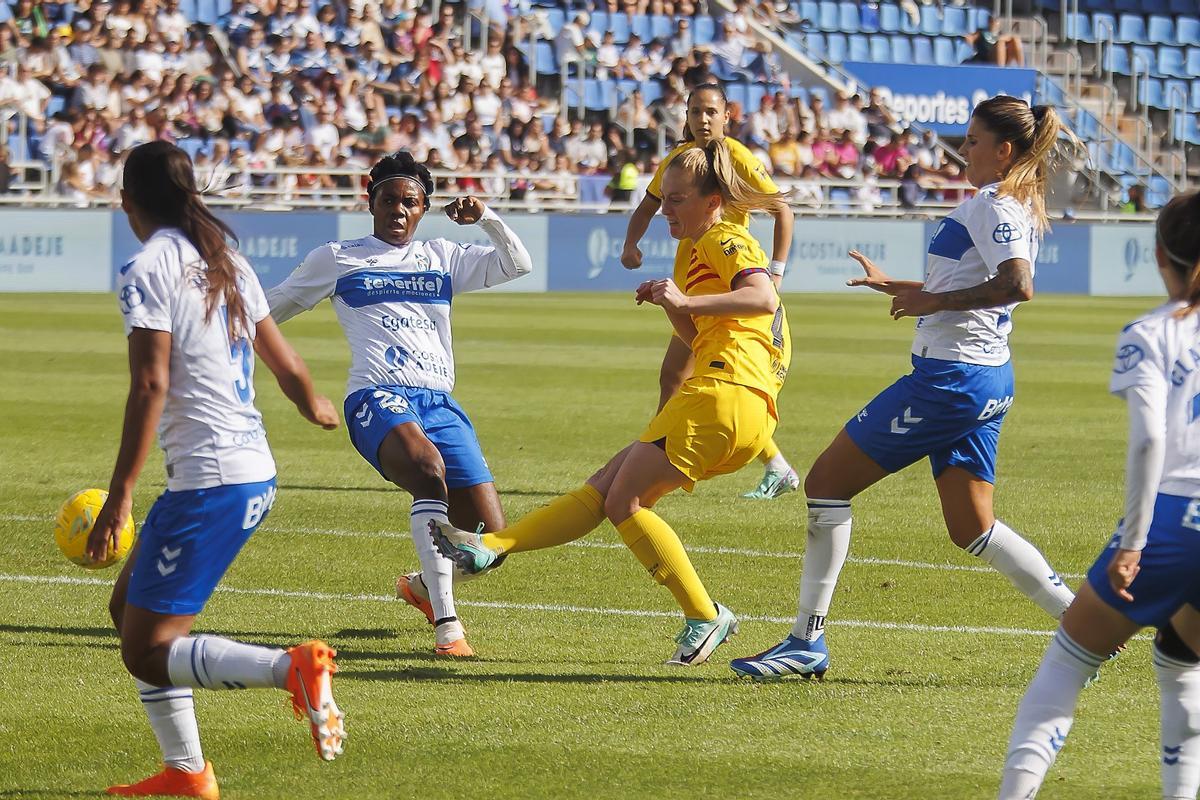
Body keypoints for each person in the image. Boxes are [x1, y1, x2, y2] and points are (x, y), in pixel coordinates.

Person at [730, 97, 1082, 680]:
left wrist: (931, 301)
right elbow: (973, 279)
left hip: (950, 380)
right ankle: (1082, 623)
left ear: (1005, 151)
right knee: (973, 529)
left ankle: (804, 643)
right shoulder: (1013, 205)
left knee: (825, 484)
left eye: (972, 141)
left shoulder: (994, 205)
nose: (964, 150)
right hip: (985, 376)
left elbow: (1017, 285)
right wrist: (897, 285)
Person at [430, 139, 791, 666]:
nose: (664, 209)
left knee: (626, 503)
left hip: (725, 392)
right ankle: (490, 548)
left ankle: (706, 616)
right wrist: (672, 306)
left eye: (677, 199)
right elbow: (699, 336)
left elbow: (764, 297)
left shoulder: (727, 238)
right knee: (605, 487)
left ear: (713, 201)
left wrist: (684, 299)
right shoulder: (695, 247)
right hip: (726, 393)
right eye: (663, 197)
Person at [89, 141, 345, 798]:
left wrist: (119, 500)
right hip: (247, 470)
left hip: (212, 480)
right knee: (128, 611)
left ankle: (290, 669)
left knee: (146, 648)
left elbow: (150, 384)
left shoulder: (148, 266)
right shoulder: (223, 257)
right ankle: (186, 773)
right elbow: (284, 360)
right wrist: (310, 403)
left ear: (128, 203)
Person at [266, 151, 533, 657]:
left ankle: (421, 585)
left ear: (423, 208)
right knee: (427, 470)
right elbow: (273, 306)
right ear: (371, 202)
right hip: (376, 395)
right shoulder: (338, 256)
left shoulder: (442, 256)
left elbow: (517, 263)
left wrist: (489, 220)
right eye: (388, 200)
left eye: (409, 202)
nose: (398, 210)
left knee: (490, 543)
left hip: (438, 401)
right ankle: (448, 628)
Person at [998, 192, 1200, 800]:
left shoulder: (1152, 332)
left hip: (1171, 517)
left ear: (1159, 254)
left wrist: (1133, 543)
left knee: (1070, 659)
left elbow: (1149, 441)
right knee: (1182, 663)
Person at [620, 82, 800, 500]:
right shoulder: (680, 160)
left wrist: (774, 273)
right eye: (695, 111)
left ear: (726, 116)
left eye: (711, 112)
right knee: (679, 375)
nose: (703, 119)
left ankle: (653, 468)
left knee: (688, 376)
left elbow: (781, 209)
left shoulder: (735, 156)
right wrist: (630, 244)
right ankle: (774, 465)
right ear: (684, 115)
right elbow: (647, 205)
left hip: (725, 285)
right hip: (694, 284)